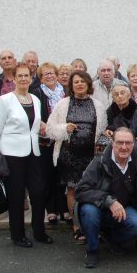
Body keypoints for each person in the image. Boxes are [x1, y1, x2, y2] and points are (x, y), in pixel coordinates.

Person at [0, 63, 48, 247]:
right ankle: (18, 235)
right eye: (20, 76)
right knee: (16, 195)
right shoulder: (5, 100)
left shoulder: (35, 99)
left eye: (26, 76)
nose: (23, 79)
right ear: (14, 78)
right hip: (11, 153)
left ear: (31, 78)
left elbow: (35, 126)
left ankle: (39, 231)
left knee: (38, 192)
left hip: (33, 152)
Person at [46, 70, 107, 241]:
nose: (79, 84)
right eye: (76, 82)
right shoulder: (63, 104)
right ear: (71, 86)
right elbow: (50, 128)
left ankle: (91, 225)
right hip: (69, 155)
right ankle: (77, 226)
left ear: (88, 84)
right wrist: (64, 128)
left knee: (92, 189)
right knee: (72, 189)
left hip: (91, 157)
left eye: (82, 81)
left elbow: (102, 131)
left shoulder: (98, 105)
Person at [76, 128, 137, 268]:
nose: (124, 147)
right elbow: (81, 190)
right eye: (120, 142)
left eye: (128, 143)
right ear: (112, 143)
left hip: (124, 208)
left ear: (133, 144)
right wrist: (109, 201)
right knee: (89, 212)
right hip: (98, 207)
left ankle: (110, 238)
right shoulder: (100, 161)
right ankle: (92, 250)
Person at [33, 62, 68, 225]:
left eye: (52, 73)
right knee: (47, 175)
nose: (49, 76)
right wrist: (42, 124)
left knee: (62, 174)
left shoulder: (65, 92)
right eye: (45, 74)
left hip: (62, 139)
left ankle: (64, 208)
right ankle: (51, 209)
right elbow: (34, 114)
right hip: (46, 140)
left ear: (57, 75)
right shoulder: (36, 93)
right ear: (41, 78)